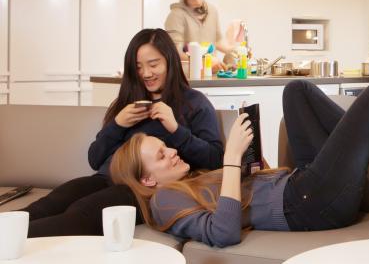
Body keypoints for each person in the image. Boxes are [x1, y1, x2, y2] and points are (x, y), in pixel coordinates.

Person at [110, 80, 369, 247]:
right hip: (310, 204)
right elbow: (223, 232)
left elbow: (247, 200)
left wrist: (254, 166)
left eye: (166, 147)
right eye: (161, 156)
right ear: (147, 180)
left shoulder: (183, 183)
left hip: (299, 186)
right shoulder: (164, 202)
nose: (173, 152)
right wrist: (230, 159)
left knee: (297, 91)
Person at [19, 29, 224, 237]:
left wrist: (175, 129)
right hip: (105, 179)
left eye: (153, 65)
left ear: (170, 62)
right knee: (52, 201)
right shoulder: (126, 105)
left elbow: (216, 159)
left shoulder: (194, 103)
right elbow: (94, 158)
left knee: (81, 214)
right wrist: (118, 124)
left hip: (142, 190)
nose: (146, 73)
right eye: (138, 67)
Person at [164, 0, 234, 71]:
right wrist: (204, 61)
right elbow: (176, 52)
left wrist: (235, 51)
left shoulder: (212, 10)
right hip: (188, 75)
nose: (198, 1)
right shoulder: (176, 16)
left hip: (210, 73)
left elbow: (217, 41)